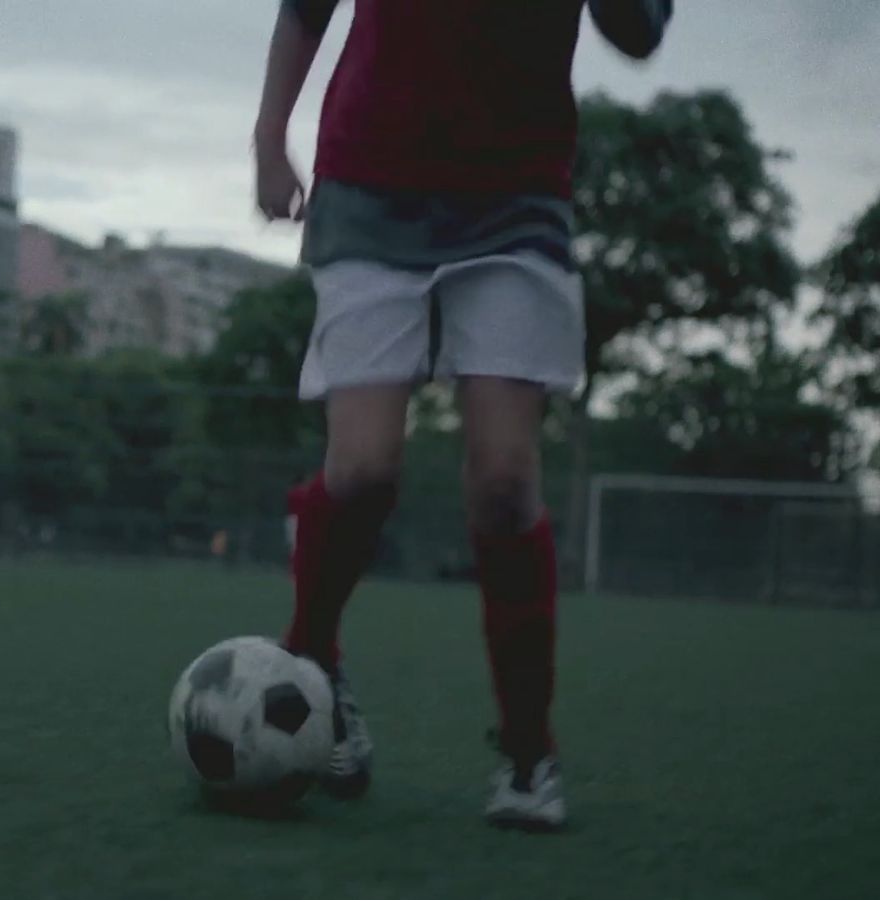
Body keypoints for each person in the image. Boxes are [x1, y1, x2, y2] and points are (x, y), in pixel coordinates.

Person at [255, 0, 671, 830]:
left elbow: (639, 32)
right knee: (364, 470)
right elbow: (306, 10)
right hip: (371, 180)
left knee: (506, 481)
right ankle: (316, 663)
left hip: (514, 197)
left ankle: (527, 752)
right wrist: (270, 141)